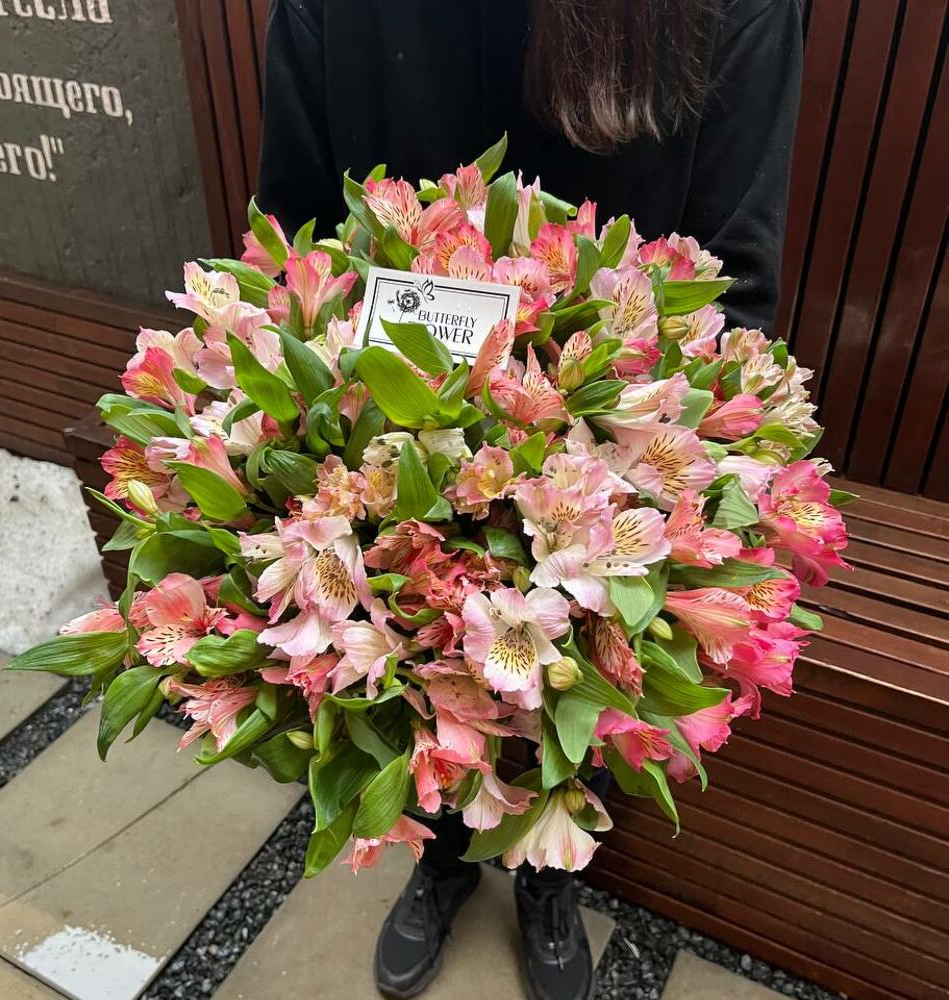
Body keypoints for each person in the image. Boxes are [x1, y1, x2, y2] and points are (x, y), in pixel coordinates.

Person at [257, 1, 803, 997]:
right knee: (426, 696)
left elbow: (737, 284)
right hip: (376, 468)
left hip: (618, 462)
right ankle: (444, 854)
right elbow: (294, 241)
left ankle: (550, 853)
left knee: (574, 691)